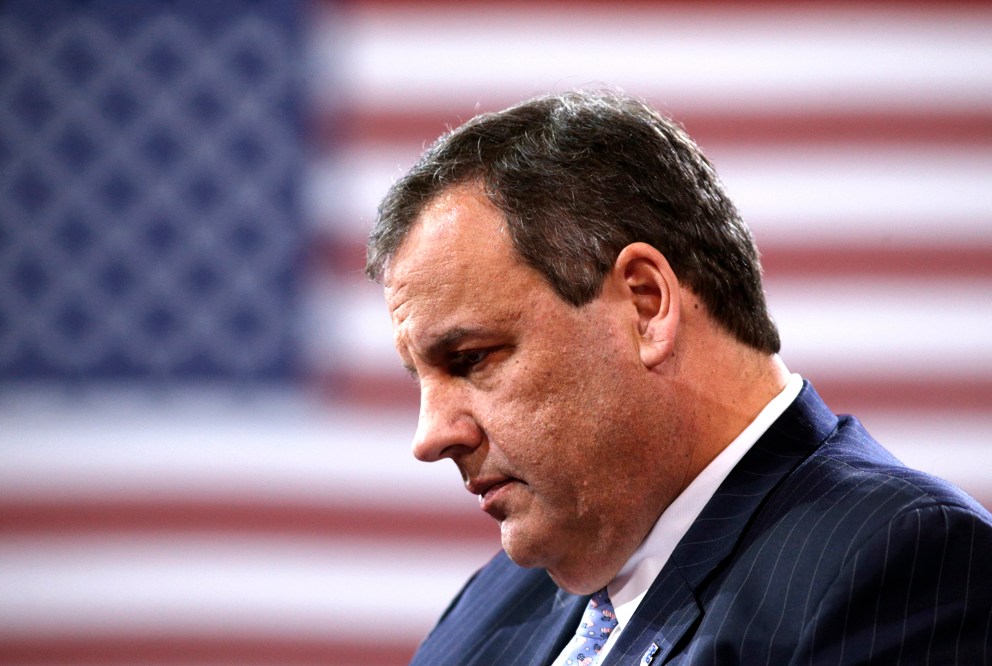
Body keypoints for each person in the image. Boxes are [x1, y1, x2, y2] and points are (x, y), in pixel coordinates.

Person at [365, 90, 992, 665]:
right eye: (417, 377)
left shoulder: (902, 560)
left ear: (645, 305)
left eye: (472, 357)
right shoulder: (498, 601)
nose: (430, 437)